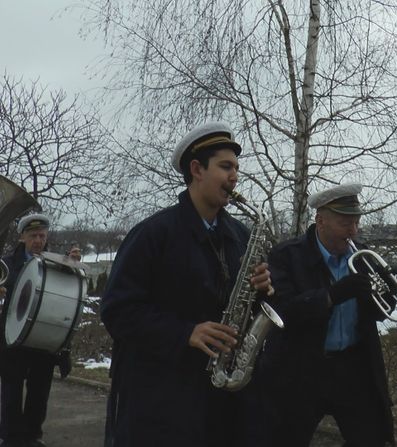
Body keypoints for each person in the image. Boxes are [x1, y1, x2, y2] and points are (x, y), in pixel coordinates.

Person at [100, 122, 272, 447]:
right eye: (225, 166)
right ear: (196, 169)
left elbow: (248, 306)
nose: (235, 176)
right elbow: (117, 311)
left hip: (222, 401)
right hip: (160, 401)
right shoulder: (152, 234)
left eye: (236, 167)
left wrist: (263, 289)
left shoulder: (241, 235)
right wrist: (185, 333)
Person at [259, 183, 396, 446]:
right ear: (320, 220)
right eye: (345, 223)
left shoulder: (365, 256)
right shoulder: (286, 256)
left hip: (352, 366)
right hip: (302, 368)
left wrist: (382, 297)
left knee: (370, 438)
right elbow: (282, 312)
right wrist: (332, 295)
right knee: (288, 437)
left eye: (356, 222)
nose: (353, 231)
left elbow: (383, 313)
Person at [0, 213, 64, 447]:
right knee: (11, 392)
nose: (38, 240)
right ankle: (10, 437)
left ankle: (32, 436)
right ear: (22, 237)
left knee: (39, 393)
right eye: (33, 235)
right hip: (12, 339)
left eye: (42, 236)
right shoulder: (6, 264)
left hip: (42, 340)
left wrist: (74, 266)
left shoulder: (57, 264)